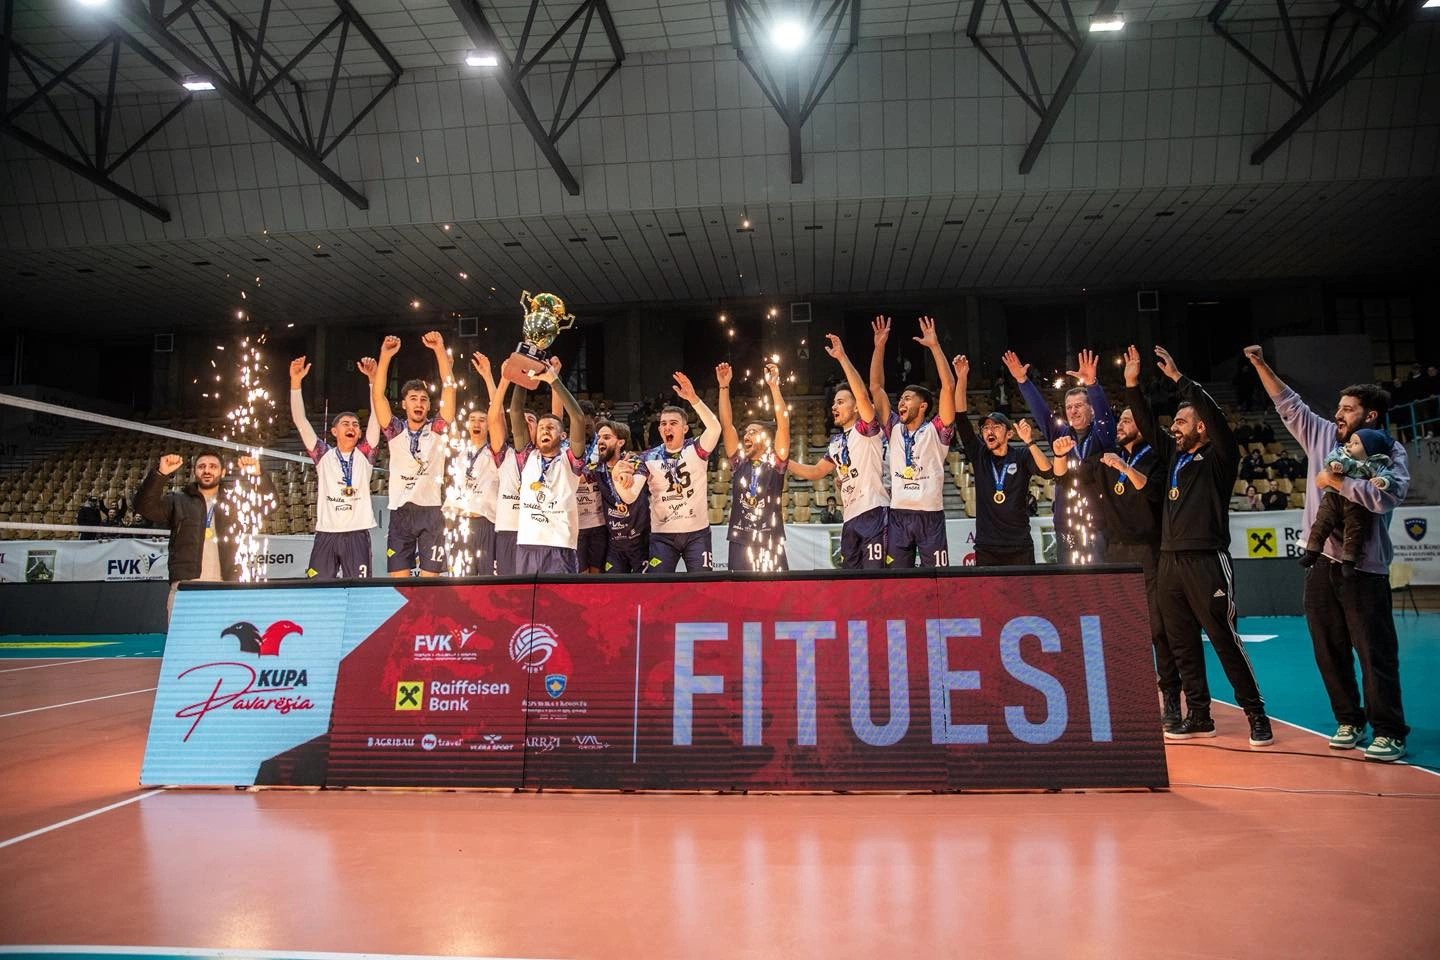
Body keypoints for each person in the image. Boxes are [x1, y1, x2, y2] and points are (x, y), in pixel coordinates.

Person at [1244, 344, 1409, 761]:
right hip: (1320, 564)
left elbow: (1387, 498)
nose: (1338, 414)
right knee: (1328, 650)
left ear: (1370, 417)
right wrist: (1261, 365)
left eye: (1348, 409)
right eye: (1338, 407)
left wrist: (1336, 483)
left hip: (1364, 568)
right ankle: (1349, 720)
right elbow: (1288, 403)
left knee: (1374, 653)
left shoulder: (1390, 450)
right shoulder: (1321, 435)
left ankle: (1389, 731)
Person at [1128, 344, 1272, 746]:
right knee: (1182, 644)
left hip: (1207, 560)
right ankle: (1200, 715)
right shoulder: (1173, 458)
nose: (1174, 428)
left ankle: (1256, 714)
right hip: (1169, 562)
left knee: (1224, 639)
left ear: (1202, 427)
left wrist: (1180, 380)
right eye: (1173, 421)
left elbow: (1216, 417)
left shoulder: (1220, 458)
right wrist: (1132, 385)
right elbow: (1146, 424)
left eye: (1181, 421)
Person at [1063, 367, 1179, 728]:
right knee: (1118, 627)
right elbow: (1071, 475)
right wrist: (1058, 454)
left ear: (1142, 426)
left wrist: (1124, 468)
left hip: (1149, 550)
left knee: (1157, 629)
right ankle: (1126, 696)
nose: (1120, 425)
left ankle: (1171, 698)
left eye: (1127, 420)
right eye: (1120, 420)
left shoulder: (1156, 457)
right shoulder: (1106, 458)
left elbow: (1151, 490)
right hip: (1116, 550)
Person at [786, 333, 889, 568]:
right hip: (850, 518)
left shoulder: (866, 428)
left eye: (841, 402)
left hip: (874, 511)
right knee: (849, 582)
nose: (834, 406)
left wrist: (842, 358)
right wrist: (783, 462)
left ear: (857, 407)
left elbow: (862, 394)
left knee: (876, 579)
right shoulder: (835, 442)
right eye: (833, 402)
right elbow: (815, 472)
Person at [1005, 348, 1117, 563]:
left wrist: (1092, 385)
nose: (1073, 411)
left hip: (1097, 522)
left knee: (1098, 578)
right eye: (1069, 407)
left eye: (1079, 406)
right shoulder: (1061, 434)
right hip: (1066, 523)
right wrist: (1023, 381)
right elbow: (1042, 413)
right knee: (1070, 579)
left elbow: (1105, 416)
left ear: (1091, 409)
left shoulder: (1102, 435)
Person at [134, 450, 267, 617]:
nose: (207, 470)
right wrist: (160, 474)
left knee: (226, 634)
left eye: (213, 466)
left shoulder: (235, 501)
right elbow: (144, 507)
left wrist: (258, 475)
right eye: (201, 466)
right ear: (194, 471)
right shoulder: (178, 500)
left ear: (223, 472)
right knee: (183, 634)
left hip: (227, 586)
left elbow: (268, 505)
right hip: (186, 586)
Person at [613, 372, 721, 572]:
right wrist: (617, 479)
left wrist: (694, 399)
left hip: (697, 534)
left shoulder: (696, 449)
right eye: (663, 424)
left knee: (703, 584)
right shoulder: (648, 457)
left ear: (685, 429)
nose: (667, 427)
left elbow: (715, 428)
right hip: (662, 536)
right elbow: (629, 497)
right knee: (658, 585)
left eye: (673, 423)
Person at [870, 315, 956, 567]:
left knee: (937, 580)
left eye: (908, 398)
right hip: (898, 515)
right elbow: (876, 388)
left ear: (923, 405)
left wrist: (934, 347)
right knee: (898, 579)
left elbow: (948, 387)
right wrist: (879, 347)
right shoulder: (894, 428)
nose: (901, 402)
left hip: (930, 515)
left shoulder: (937, 431)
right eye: (901, 399)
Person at [951, 354, 1052, 566]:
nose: (989, 431)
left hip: (1020, 545)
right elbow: (960, 417)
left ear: (1009, 434)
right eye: (985, 428)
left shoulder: (1021, 455)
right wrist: (962, 379)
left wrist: (1030, 442)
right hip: (987, 547)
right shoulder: (979, 454)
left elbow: (1048, 471)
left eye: (996, 427)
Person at [372, 331, 456, 578]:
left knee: (430, 586)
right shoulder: (395, 431)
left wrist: (439, 349)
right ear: (404, 404)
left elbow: (450, 389)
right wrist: (385, 357)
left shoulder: (437, 429)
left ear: (429, 405)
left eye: (423, 399)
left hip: (431, 511)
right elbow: (378, 396)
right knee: (399, 582)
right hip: (401, 512)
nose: (418, 403)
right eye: (413, 399)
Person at [289, 354, 381, 579]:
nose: (352, 427)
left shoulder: (365, 455)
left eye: (356, 425)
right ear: (334, 431)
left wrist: (373, 382)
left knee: (359, 590)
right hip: (326, 534)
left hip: (357, 534)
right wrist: (295, 384)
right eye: (345, 424)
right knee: (318, 589)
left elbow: (377, 419)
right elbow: (301, 421)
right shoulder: (323, 455)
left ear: (359, 433)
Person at [508, 359, 589, 575]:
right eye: (542, 427)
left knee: (560, 598)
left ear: (563, 436)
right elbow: (515, 411)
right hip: (528, 543)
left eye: (551, 427)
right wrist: (525, 372)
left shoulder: (571, 459)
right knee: (526, 597)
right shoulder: (527, 456)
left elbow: (578, 418)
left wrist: (553, 379)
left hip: (560, 544)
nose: (544, 430)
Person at [716, 361, 791, 571]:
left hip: (770, 540)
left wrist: (774, 386)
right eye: (746, 432)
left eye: (753, 432)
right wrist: (724, 387)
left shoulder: (775, 463)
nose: (746, 435)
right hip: (740, 540)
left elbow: (783, 426)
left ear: (766, 439)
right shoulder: (739, 463)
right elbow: (727, 425)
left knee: (777, 590)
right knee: (740, 591)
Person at [1298, 428, 1398, 577]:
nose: (1349, 445)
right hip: (1333, 498)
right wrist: (1334, 464)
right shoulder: (1342, 454)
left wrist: (1383, 481)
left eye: (1356, 443)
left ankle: (1349, 562)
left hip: (1356, 504)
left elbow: (1390, 478)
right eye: (1350, 441)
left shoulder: (1376, 464)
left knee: (1355, 531)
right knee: (1322, 523)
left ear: (1369, 450)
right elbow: (1330, 459)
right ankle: (1312, 552)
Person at [442, 353, 503, 577]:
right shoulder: (458, 448)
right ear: (467, 424)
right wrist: (447, 370)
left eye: (482, 420)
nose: (477, 423)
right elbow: (448, 414)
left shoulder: (495, 451)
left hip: (485, 524)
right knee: (460, 584)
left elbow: (498, 415)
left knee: (487, 582)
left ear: (488, 425)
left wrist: (488, 376)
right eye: (473, 420)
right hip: (459, 523)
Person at [485, 370, 535, 577]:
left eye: (531, 420)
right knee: (507, 587)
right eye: (521, 419)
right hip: (507, 529)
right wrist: (503, 379)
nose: (524, 423)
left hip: (535, 532)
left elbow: (556, 417)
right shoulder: (505, 454)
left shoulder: (545, 457)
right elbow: (493, 419)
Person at [590, 420, 650, 572]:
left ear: (620, 442)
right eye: (599, 437)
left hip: (640, 542)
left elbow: (631, 494)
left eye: (606, 437)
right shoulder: (596, 467)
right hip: (615, 545)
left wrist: (622, 476)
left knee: (644, 586)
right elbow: (576, 476)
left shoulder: (634, 462)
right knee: (614, 586)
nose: (600, 441)